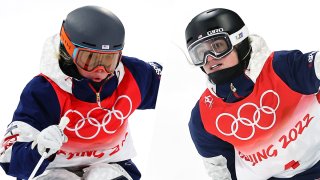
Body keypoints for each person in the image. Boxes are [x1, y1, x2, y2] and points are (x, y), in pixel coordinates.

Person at [0, 5, 162, 180]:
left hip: (110, 165)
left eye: (109, 60)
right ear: (69, 50)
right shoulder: (46, 91)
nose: (100, 70)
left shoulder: (132, 76)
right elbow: (9, 158)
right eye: (89, 60)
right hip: (54, 167)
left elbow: (171, 86)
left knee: (102, 176)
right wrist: (37, 149)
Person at [185, 8, 320, 180]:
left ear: (239, 42)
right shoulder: (204, 117)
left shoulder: (281, 69)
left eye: (217, 46)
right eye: (199, 53)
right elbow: (222, 172)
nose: (209, 58)